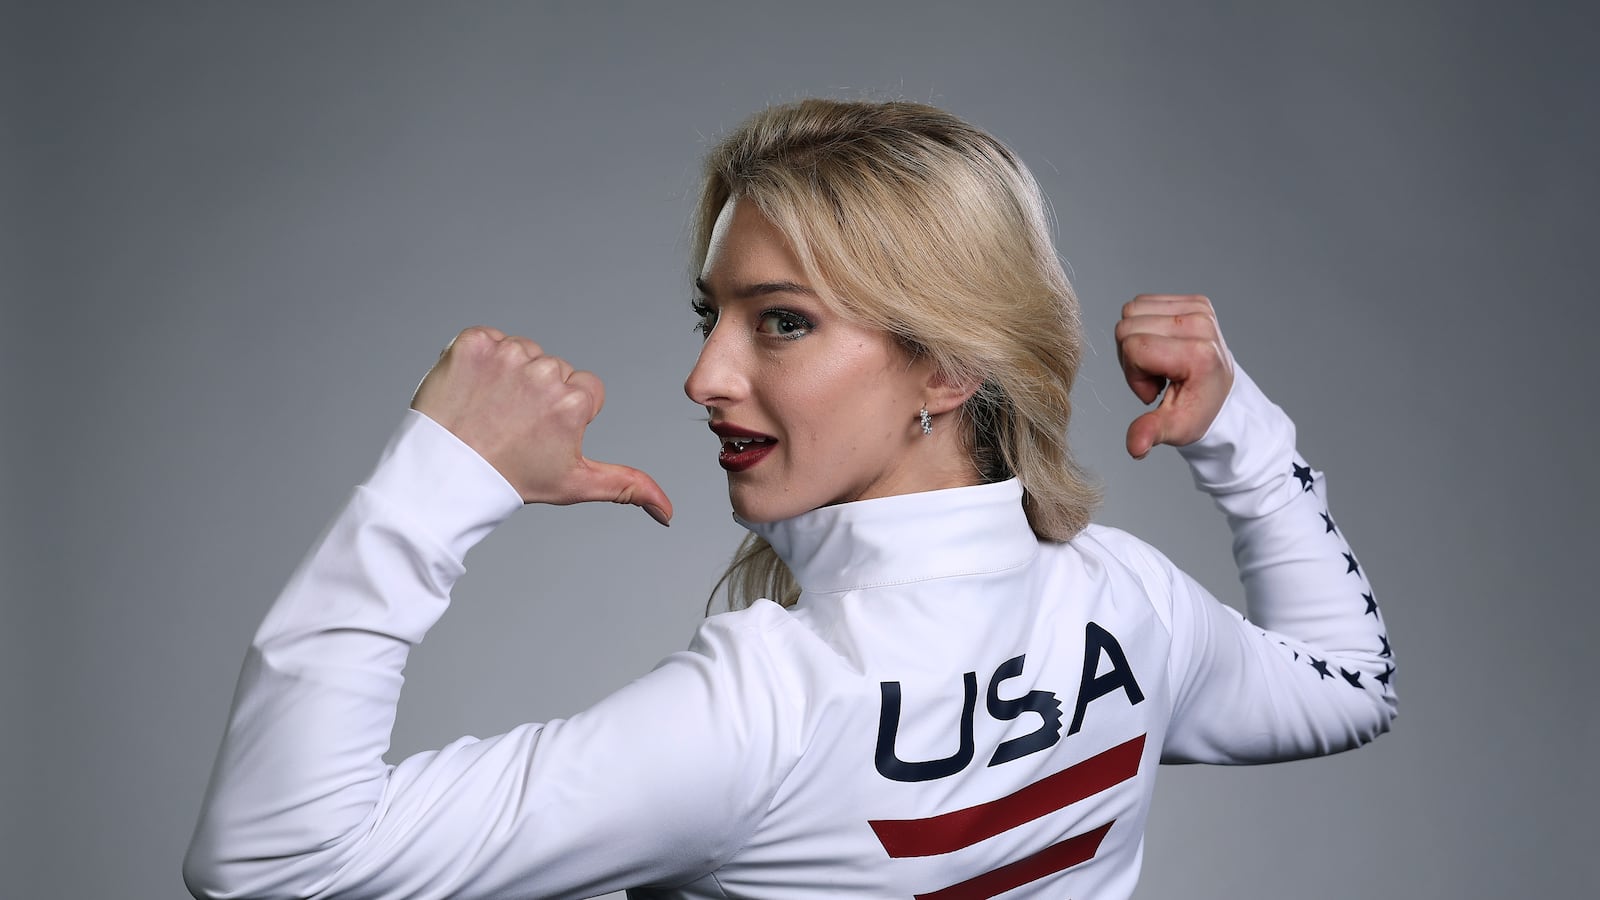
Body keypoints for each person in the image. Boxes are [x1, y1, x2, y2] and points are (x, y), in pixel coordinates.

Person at [184, 99, 1396, 900]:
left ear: (946, 364)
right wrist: (1239, 432)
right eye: (710, 318)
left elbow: (274, 853)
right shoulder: (1124, 603)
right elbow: (1353, 685)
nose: (705, 376)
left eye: (781, 323)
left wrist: (439, 477)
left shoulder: (768, 710)